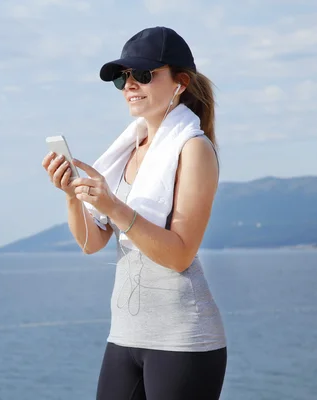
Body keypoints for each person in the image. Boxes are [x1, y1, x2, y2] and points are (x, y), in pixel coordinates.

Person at [41, 26, 227, 400]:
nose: (130, 85)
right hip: (125, 336)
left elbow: (179, 254)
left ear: (180, 82)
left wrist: (113, 205)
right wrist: (71, 195)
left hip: (183, 341)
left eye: (143, 75)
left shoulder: (194, 150)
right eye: (123, 78)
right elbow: (92, 244)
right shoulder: (127, 150)